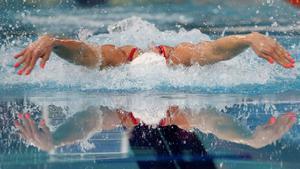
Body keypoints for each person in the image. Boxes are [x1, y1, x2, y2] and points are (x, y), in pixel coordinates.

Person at [14, 32, 295, 75]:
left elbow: (214, 50)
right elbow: (88, 55)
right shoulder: (119, 57)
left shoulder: (179, 56)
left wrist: (249, 38)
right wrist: (54, 42)